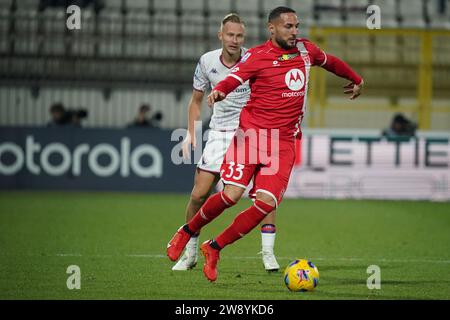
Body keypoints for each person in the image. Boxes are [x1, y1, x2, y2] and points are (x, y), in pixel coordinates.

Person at [167, 6, 364, 282]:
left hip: (283, 143)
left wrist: (355, 79)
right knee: (230, 195)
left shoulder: (307, 51)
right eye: (288, 27)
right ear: (272, 29)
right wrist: (221, 90)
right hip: (251, 136)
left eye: (296, 26)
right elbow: (236, 77)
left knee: (266, 204)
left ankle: (214, 247)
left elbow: (331, 62)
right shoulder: (257, 56)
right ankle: (186, 232)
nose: (294, 32)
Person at [172, 13, 280, 272]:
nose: (234, 40)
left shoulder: (254, 58)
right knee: (199, 194)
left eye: (239, 35)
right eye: (230, 35)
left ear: (244, 37)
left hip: (252, 132)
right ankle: (190, 253)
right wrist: (190, 133)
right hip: (219, 134)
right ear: (221, 35)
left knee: (265, 196)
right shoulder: (207, 61)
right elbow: (196, 101)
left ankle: (268, 253)